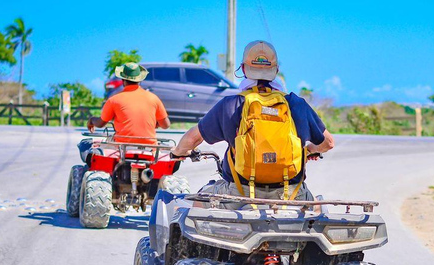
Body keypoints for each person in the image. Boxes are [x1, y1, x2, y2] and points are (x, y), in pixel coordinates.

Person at [171, 40, 334, 203]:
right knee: (315, 206)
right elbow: (328, 142)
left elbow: (193, 139)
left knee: (200, 198)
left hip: (238, 193)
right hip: (290, 194)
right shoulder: (296, 104)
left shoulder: (230, 105)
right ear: (276, 70)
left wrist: (178, 152)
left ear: (243, 69)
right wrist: (310, 150)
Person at [78, 62, 170, 162]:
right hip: (149, 148)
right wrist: (154, 123)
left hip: (122, 147)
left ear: (123, 80)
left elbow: (100, 123)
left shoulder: (114, 100)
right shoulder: (154, 98)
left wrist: (91, 120)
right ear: (140, 80)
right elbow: (166, 125)